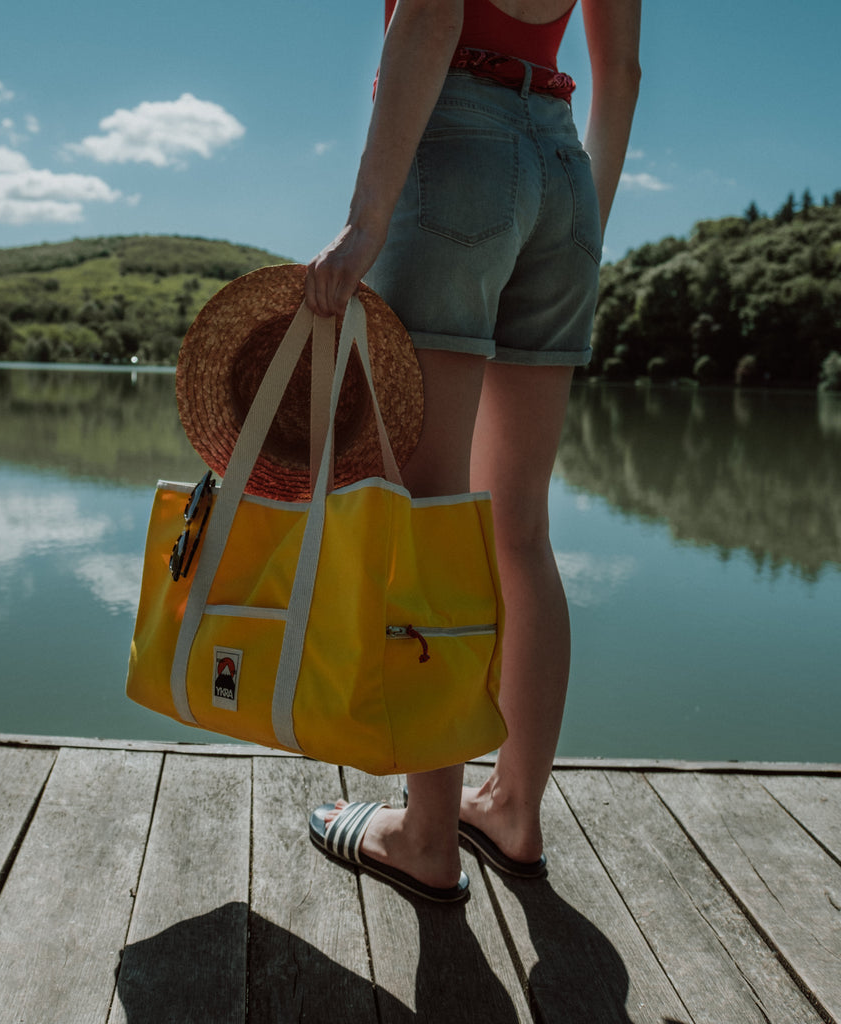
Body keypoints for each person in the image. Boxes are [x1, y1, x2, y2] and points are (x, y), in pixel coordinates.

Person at [305, 0, 641, 898]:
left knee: (431, 510)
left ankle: (426, 835)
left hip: (456, 147)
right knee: (519, 527)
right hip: (566, 169)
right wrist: (586, 228)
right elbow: (624, 73)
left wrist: (366, 218)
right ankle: (514, 814)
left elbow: (429, 19)